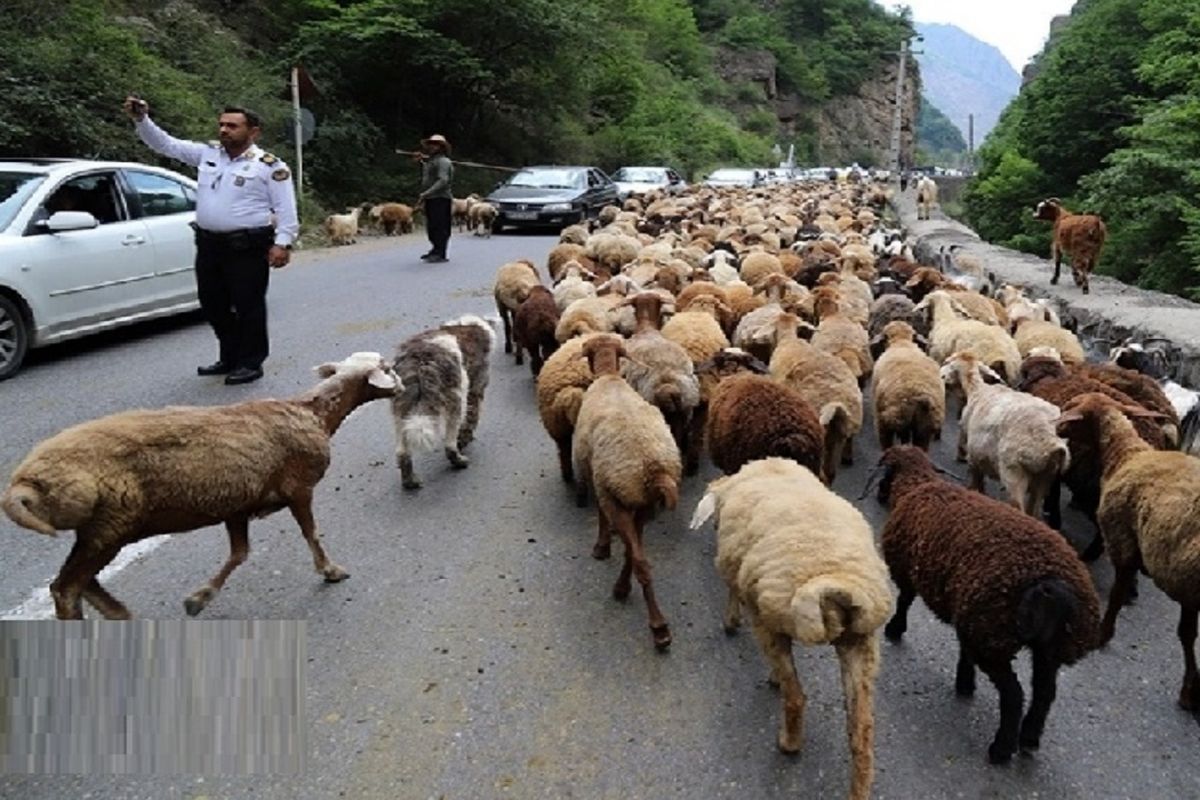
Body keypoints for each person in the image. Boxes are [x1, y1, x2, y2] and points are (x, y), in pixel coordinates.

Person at [123, 95, 299, 385]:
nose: (224, 130)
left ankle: (251, 362)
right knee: (212, 304)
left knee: (248, 306)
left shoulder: (269, 166)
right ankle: (229, 356)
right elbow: (166, 144)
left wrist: (283, 243)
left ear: (253, 132)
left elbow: (285, 209)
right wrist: (142, 120)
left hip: (247, 246)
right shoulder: (208, 154)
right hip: (209, 244)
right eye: (222, 124)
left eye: (232, 126)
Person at [416, 134, 454, 263]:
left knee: (440, 226)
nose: (431, 146)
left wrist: (426, 193)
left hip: (441, 197)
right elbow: (429, 174)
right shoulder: (432, 161)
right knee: (432, 226)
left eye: (435, 144)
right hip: (432, 197)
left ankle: (440, 252)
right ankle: (435, 249)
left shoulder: (443, 161)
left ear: (441, 147)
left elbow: (443, 180)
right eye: (430, 144)